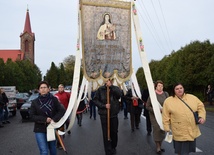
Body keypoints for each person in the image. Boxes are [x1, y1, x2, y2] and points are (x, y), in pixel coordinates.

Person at [162, 83, 206, 155]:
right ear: (174, 90)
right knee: (181, 151)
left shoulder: (192, 98)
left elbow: (200, 106)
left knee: (187, 151)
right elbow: (165, 115)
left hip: (191, 129)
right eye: (177, 89)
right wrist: (166, 127)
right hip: (178, 130)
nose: (179, 90)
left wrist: (202, 116)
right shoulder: (168, 101)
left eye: (181, 88)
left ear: (183, 88)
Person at [30, 81, 65, 155]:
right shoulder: (35, 102)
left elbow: (62, 110)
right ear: (39, 90)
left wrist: (54, 119)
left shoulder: (54, 99)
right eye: (41, 88)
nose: (43, 89)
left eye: (45, 87)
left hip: (51, 128)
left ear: (48, 89)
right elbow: (32, 116)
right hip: (39, 129)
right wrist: (44, 119)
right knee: (44, 151)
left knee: (52, 148)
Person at [93, 78, 122, 155]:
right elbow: (95, 100)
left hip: (113, 114)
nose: (107, 82)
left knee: (114, 132)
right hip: (104, 115)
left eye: (109, 80)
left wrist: (111, 87)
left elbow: (119, 95)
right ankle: (108, 151)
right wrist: (104, 106)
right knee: (106, 134)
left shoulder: (115, 88)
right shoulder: (100, 89)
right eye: (106, 80)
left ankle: (113, 146)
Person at [146, 80, 169, 154]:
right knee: (157, 130)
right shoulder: (152, 95)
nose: (160, 87)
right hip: (154, 116)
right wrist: (156, 110)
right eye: (159, 85)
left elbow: (169, 104)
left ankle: (160, 145)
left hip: (163, 115)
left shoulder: (166, 94)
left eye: (162, 86)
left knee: (162, 130)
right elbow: (147, 106)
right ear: (156, 86)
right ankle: (158, 147)